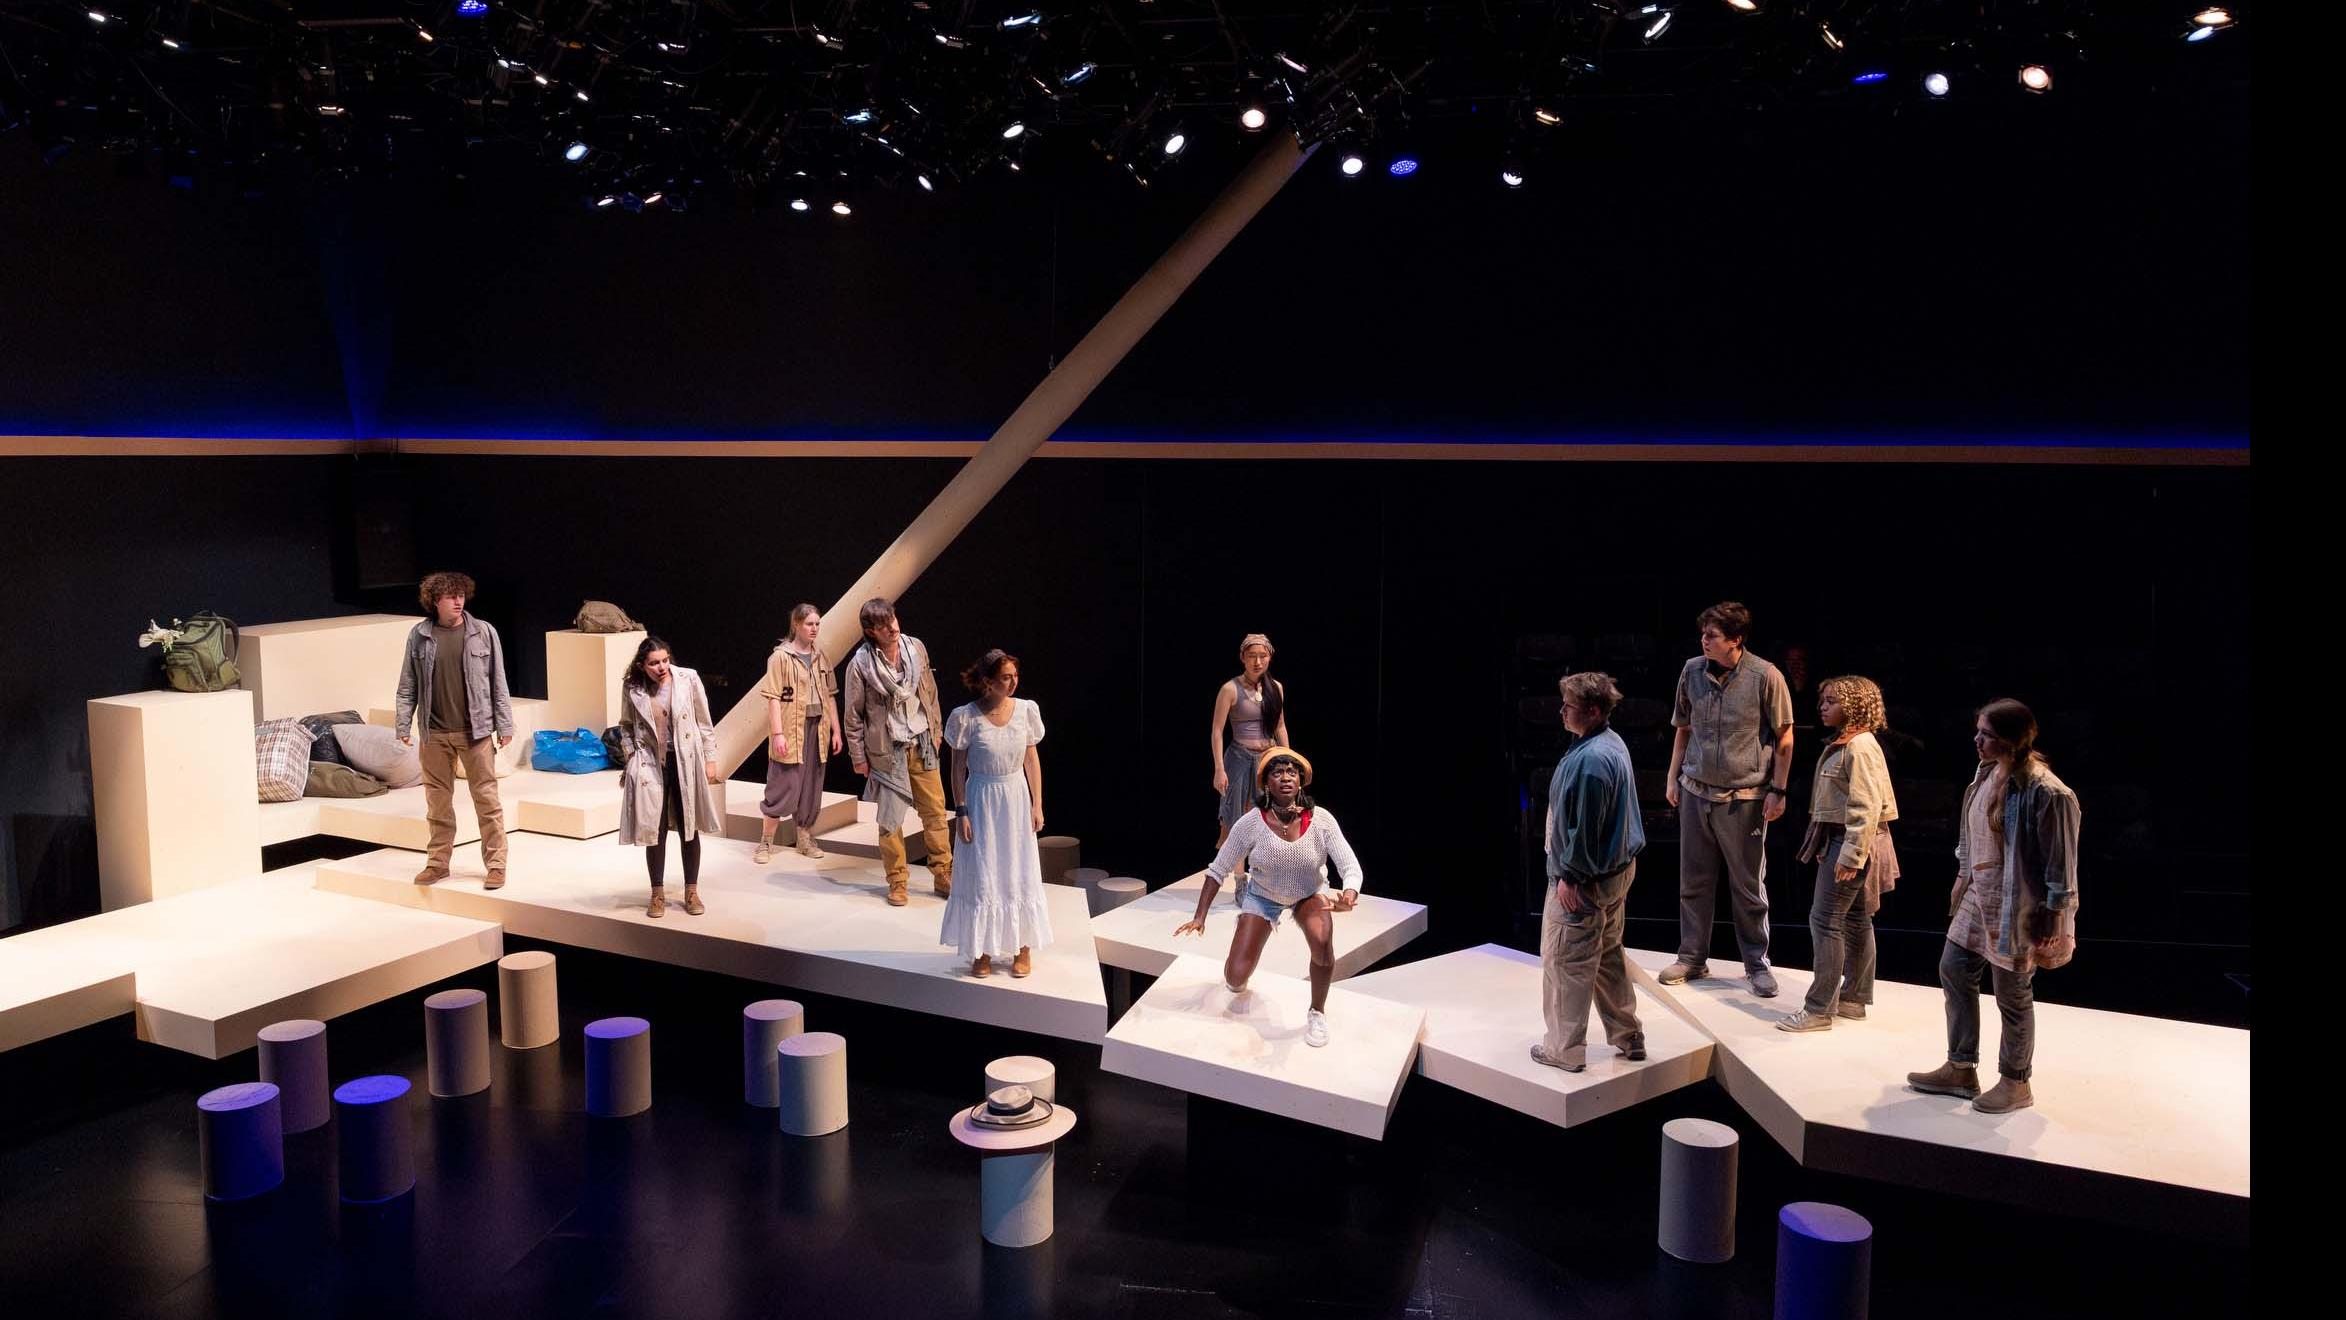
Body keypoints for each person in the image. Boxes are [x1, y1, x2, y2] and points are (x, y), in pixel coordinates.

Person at [1907, 699, 2081, 1114]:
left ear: (2011, 739)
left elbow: (2061, 863)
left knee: (2012, 994)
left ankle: (2016, 1082)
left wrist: (2054, 912)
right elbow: (1971, 833)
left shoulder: (2048, 791)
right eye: (1978, 731)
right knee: (1954, 968)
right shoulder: (1986, 773)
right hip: (1979, 893)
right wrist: (1962, 872)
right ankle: (1961, 1067)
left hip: (2017, 903)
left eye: (1986, 734)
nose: (1977, 740)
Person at [1174, 749, 1362, 1048]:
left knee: (1322, 942)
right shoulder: (1251, 822)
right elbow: (1217, 870)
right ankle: (1237, 973)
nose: (1285, 777)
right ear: (1266, 783)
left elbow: (1350, 865)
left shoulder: (1321, 820)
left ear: (1300, 780)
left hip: (1309, 893)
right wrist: (1200, 916)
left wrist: (1349, 894)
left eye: (1292, 772)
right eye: (1277, 773)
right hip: (1263, 896)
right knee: (1235, 978)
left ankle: (1317, 1012)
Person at [1660, 601, 1796, 997]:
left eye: (1712, 635)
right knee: (1694, 880)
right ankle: (1691, 957)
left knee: (1748, 886)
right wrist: (1672, 777)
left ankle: (1756, 964)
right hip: (1696, 789)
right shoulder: (1692, 671)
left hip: (1745, 796)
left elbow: (1785, 736)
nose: (1704, 640)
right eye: (1703, 634)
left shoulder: (1765, 676)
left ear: (1736, 639)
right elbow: (1683, 728)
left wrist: (1778, 790)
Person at [1534, 672, 1648, 1073]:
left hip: (1585, 881)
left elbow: (1585, 830)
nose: (1561, 711)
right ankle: (1628, 1034)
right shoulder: (1608, 743)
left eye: (1570, 706)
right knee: (1607, 956)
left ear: (1595, 711)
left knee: (1565, 963)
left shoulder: (1591, 762)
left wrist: (1571, 877)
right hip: (1615, 875)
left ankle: (1563, 1050)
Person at [1777, 676, 1901, 1033]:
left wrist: (1851, 854)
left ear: (1854, 705)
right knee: (1856, 918)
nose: (1823, 706)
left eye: (1831, 701)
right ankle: (1853, 999)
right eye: (1823, 699)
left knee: (1825, 920)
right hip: (1844, 838)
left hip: (1852, 840)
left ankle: (1819, 1010)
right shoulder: (1850, 743)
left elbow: (1865, 805)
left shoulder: (1860, 746)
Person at [394, 570, 515, 890]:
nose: (458, 601)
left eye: (461, 595)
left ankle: (496, 865)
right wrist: (403, 723)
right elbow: (407, 684)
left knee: (487, 801)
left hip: (475, 732)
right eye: (451, 596)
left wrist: (504, 724)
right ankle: (437, 863)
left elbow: (498, 681)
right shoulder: (420, 635)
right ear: (435, 601)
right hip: (434, 733)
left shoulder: (483, 632)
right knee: (437, 804)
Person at [939, 650, 1052, 978]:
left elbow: (1031, 760)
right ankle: (983, 950)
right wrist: (961, 811)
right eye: (1005, 677)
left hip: (1015, 798)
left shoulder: (1026, 710)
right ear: (988, 681)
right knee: (984, 871)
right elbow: (957, 769)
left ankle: (1022, 947)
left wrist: (1037, 804)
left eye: (1015, 676)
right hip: (981, 800)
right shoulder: (966, 717)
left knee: (1018, 869)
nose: (1013, 682)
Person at [843, 598, 955, 907]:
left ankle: (943, 873)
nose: (892, 628)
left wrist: (936, 730)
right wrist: (858, 757)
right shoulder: (861, 664)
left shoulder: (915, 648)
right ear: (871, 631)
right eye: (883, 625)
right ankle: (897, 880)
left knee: (935, 813)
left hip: (921, 741)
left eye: (892, 619)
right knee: (890, 821)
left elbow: (930, 691)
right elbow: (853, 715)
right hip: (887, 749)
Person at [616, 636, 724, 918]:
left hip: (684, 760)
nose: (662, 667)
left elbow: (704, 722)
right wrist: (631, 756)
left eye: (665, 660)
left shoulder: (688, 679)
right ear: (642, 665)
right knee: (655, 829)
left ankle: (691, 891)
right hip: (651, 764)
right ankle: (657, 893)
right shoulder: (633, 687)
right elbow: (626, 726)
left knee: (689, 827)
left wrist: (710, 758)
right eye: (654, 663)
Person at [756, 603, 843, 863]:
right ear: (796, 624)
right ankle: (765, 842)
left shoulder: (821, 656)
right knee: (783, 784)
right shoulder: (780, 657)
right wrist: (778, 733)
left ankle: (804, 839)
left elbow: (830, 696)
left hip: (818, 729)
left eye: (817, 624)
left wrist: (836, 730)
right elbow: (773, 697)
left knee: (811, 785)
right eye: (809, 624)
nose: (814, 628)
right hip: (792, 729)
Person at [1209, 634, 1289, 860]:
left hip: (1267, 758)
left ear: (1270, 657)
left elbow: (1280, 726)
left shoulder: (1276, 688)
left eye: (1263, 656)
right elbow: (1217, 731)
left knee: (1266, 815)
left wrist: (1289, 760)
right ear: (1242, 657)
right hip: (1239, 758)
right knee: (1235, 817)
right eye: (1252, 656)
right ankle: (1231, 872)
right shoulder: (1230, 689)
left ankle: (1260, 871)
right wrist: (1219, 769)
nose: (1257, 661)